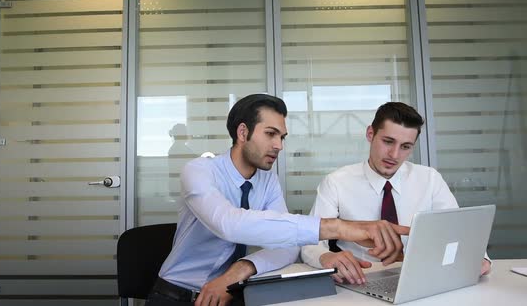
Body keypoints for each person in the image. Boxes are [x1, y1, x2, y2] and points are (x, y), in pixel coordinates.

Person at [146, 94, 410, 306]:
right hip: (176, 294)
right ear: (242, 132)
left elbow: (287, 246)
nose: (279, 146)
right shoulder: (199, 171)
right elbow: (228, 224)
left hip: (232, 291)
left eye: (281, 137)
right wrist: (340, 227)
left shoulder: (267, 180)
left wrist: (241, 269)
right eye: (270, 134)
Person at [300, 102, 492, 286]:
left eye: (405, 146)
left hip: (422, 275)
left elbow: (458, 229)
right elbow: (308, 241)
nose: (394, 155)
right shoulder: (336, 182)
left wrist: (480, 258)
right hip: (361, 277)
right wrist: (327, 257)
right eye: (388, 141)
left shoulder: (430, 179)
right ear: (370, 134)